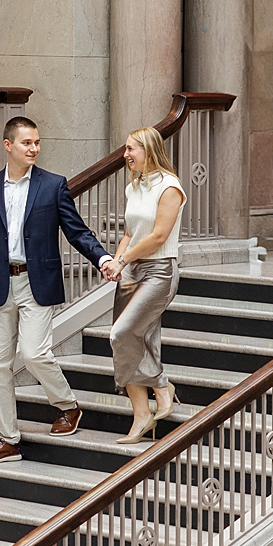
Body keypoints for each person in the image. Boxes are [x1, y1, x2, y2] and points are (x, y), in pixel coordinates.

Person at [0, 115, 119, 464]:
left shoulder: (53, 185)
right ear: (8, 146)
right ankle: (8, 440)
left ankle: (67, 405)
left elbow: (77, 232)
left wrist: (103, 258)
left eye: (36, 142)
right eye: (26, 143)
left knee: (34, 354)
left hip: (37, 282)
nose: (34, 148)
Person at [108, 126, 187, 442]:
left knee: (121, 333)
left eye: (131, 149)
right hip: (130, 271)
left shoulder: (170, 187)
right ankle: (141, 415)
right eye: (126, 149)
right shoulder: (133, 187)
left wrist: (123, 260)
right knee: (143, 338)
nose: (125, 155)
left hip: (159, 272)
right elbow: (130, 234)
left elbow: (158, 236)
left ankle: (162, 384)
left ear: (149, 150)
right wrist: (115, 263)